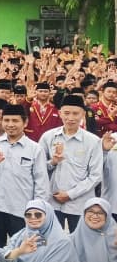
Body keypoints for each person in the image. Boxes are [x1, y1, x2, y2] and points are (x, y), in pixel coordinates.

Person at [0, 104, 50, 259]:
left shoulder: (35, 149)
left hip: (20, 209)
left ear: (25, 123)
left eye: (15, 120)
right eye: (6, 120)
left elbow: (41, 181)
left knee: (22, 250)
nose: (10, 124)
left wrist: (37, 210)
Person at [40, 95, 103, 232]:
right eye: (66, 113)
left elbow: (96, 175)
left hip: (80, 204)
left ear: (83, 114)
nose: (71, 118)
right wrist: (53, 162)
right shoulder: (48, 137)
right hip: (52, 202)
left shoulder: (93, 141)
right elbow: (39, 169)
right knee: (52, 244)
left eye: (75, 113)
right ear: (60, 113)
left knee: (81, 244)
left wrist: (70, 194)